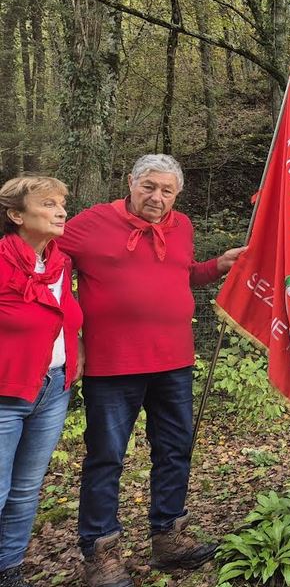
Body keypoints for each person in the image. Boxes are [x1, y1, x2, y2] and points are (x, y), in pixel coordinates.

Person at [56, 155, 245, 587]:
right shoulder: (90, 223)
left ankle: (169, 538)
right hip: (113, 364)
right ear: (131, 183)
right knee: (106, 457)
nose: (156, 198)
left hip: (174, 361)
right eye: (149, 187)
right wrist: (72, 333)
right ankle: (100, 553)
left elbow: (179, 274)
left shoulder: (183, 227)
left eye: (167, 191)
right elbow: (49, 270)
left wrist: (215, 267)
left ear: (177, 194)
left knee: (175, 450)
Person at [0, 176, 83, 587]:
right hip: (5, 393)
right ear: (17, 215)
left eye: (62, 203)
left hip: (53, 390)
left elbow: (65, 314)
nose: (61, 211)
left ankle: (9, 567)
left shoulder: (59, 262)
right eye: (48, 204)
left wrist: (76, 353)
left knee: (26, 488)